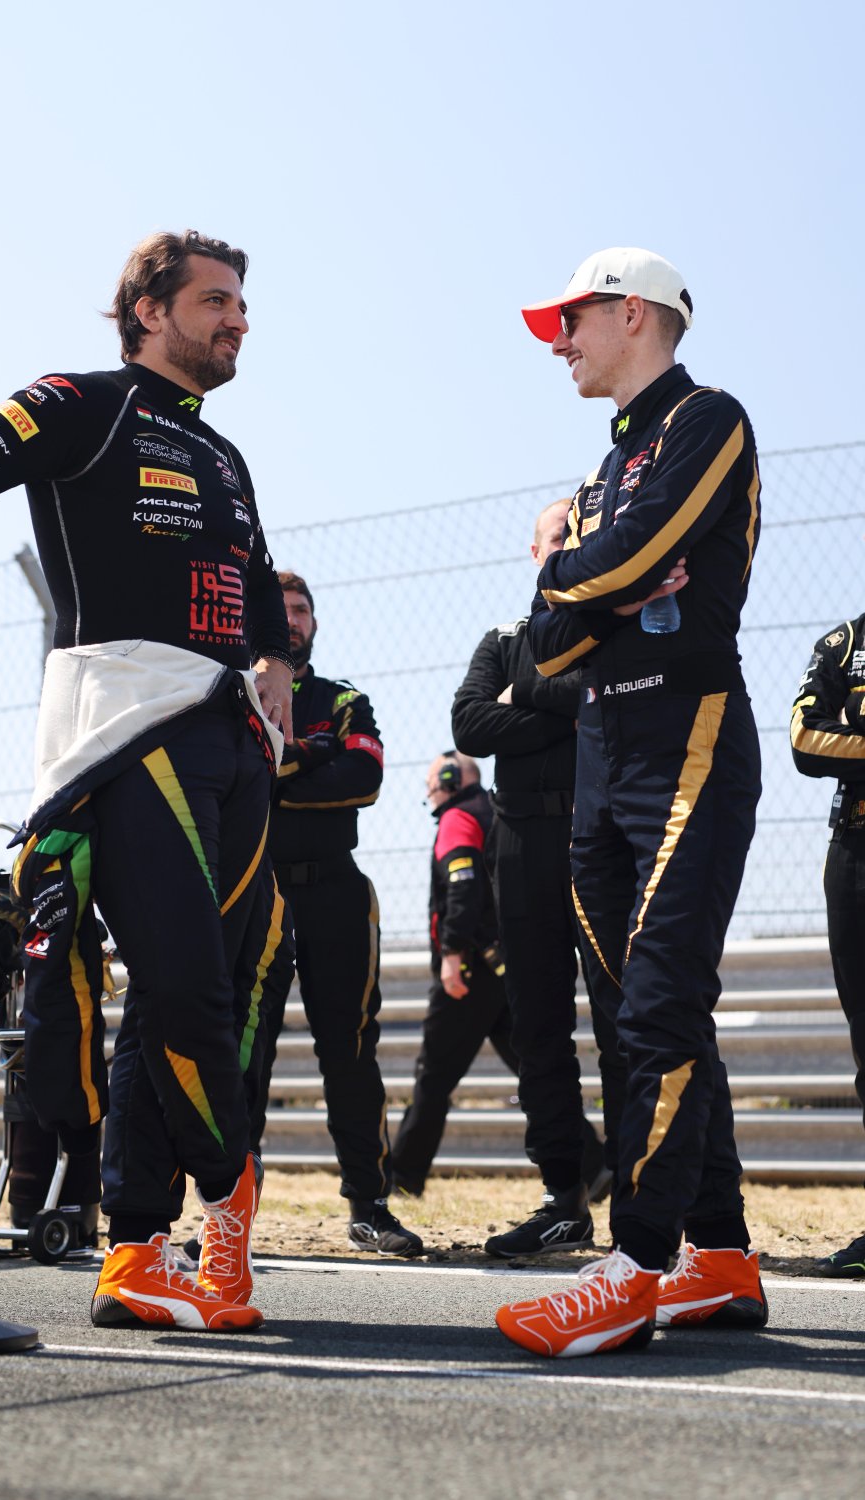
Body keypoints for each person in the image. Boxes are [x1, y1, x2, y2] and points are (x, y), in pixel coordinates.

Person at [0, 229, 295, 1333]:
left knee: (209, 992)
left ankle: (133, 1250)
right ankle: (228, 1200)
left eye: (242, 305)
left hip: (230, 734)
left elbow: (258, 577)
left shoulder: (224, 454)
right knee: (187, 989)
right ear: (148, 312)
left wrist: (276, 665)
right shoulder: (83, 401)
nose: (238, 319)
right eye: (216, 302)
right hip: (124, 729)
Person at [495, 247, 768, 1358]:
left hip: (686, 740)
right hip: (601, 757)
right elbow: (543, 648)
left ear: (635, 314)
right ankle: (721, 1255)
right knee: (633, 1017)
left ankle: (634, 1264)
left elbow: (625, 559)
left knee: (657, 1007)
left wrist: (586, 570)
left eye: (574, 318)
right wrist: (591, 574)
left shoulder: (710, 419)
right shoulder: (605, 469)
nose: (559, 342)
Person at [451, 499, 618, 1258]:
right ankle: (563, 1198)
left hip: (598, 838)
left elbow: (603, 705)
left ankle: (642, 1198)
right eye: (559, 535)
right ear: (535, 551)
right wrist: (565, 707)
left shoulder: (611, 627)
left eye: (581, 535)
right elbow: (469, 725)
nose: (568, 544)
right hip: (519, 843)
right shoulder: (504, 638)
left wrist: (525, 696)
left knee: (621, 1020)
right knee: (539, 1025)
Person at [250, 571, 424, 1255]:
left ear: (314, 623)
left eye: (301, 610)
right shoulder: (235, 695)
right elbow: (238, 781)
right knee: (245, 1050)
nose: (292, 620)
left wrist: (279, 766)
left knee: (350, 1051)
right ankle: (229, 1213)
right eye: (281, 610)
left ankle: (370, 1207)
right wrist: (308, 756)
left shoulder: (343, 699)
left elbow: (364, 778)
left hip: (336, 891)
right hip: (257, 891)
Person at [388, 752, 519, 1195]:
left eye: (431, 780)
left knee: (433, 1074)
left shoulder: (458, 817)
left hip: (468, 969)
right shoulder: (493, 810)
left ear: (449, 778)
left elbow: (462, 889)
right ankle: (593, 1165)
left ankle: (403, 1177)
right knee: (532, 1067)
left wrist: (451, 953)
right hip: (500, 967)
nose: (428, 790)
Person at [790, 617, 865, 1278]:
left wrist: (853, 734)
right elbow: (806, 741)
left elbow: (833, 737)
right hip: (855, 853)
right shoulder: (845, 643)